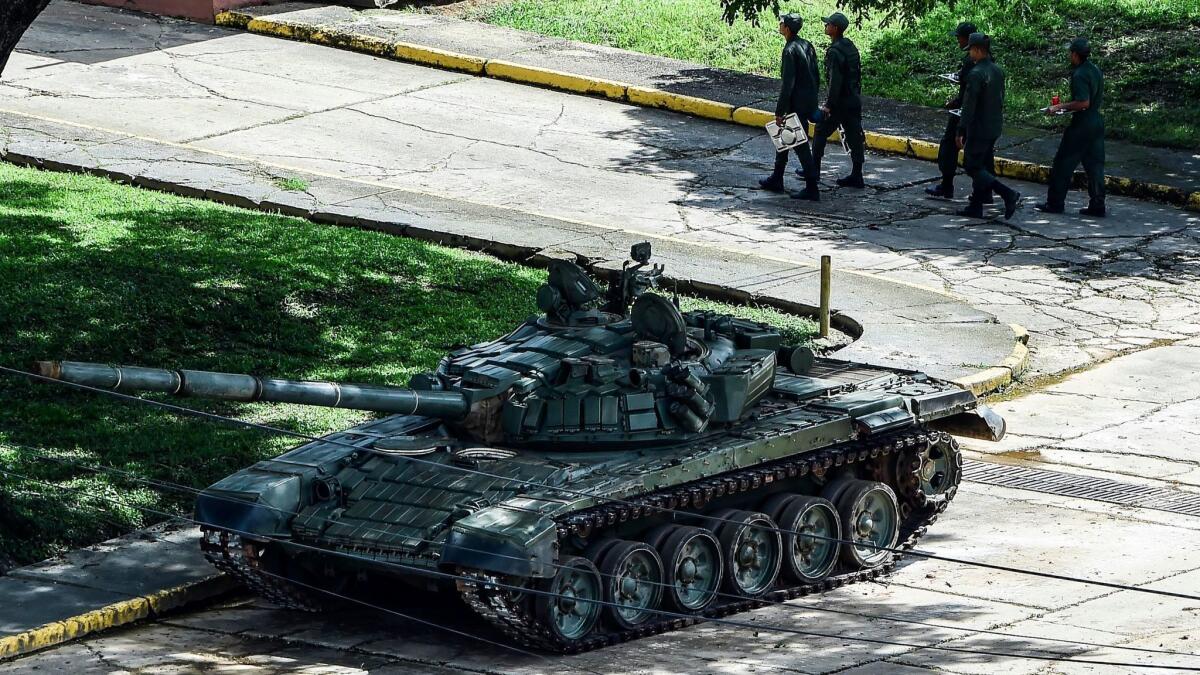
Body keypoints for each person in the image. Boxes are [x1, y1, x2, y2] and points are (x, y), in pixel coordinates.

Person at [1035, 38, 1106, 217]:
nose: (1069, 56)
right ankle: (1098, 203)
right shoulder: (1095, 70)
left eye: (1070, 53)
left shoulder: (1079, 74)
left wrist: (1059, 107)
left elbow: (1083, 102)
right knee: (1094, 166)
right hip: (1096, 123)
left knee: (1063, 164)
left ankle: (1055, 203)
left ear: (1075, 54)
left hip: (1082, 125)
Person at [956, 33, 1021, 219]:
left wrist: (961, 129)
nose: (969, 55)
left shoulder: (976, 74)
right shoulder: (997, 70)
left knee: (972, 166)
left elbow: (969, 106)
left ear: (977, 50)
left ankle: (1007, 193)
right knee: (982, 164)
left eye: (970, 51)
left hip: (979, 127)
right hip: (994, 125)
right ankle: (976, 205)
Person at [758, 13, 821, 201]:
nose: (780, 24)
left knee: (800, 145)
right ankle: (777, 178)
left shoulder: (789, 50)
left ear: (787, 29)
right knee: (783, 139)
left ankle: (811, 187)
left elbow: (788, 84)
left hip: (796, 104)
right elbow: (816, 76)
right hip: (808, 101)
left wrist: (780, 111)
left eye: (782, 23)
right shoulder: (807, 45)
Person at [925, 21, 985, 200]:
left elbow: (969, 92)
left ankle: (947, 185)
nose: (958, 41)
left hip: (966, 112)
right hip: (982, 115)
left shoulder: (971, 63)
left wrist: (960, 122)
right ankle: (984, 192)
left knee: (949, 148)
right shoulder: (989, 63)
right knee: (982, 156)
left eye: (959, 38)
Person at [811, 12, 866, 188]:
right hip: (853, 99)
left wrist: (828, 106)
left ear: (835, 29)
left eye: (828, 24)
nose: (825, 26)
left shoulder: (834, 52)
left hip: (840, 102)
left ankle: (814, 171)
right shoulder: (850, 47)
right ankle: (857, 175)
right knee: (854, 136)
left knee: (820, 130)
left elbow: (835, 81)